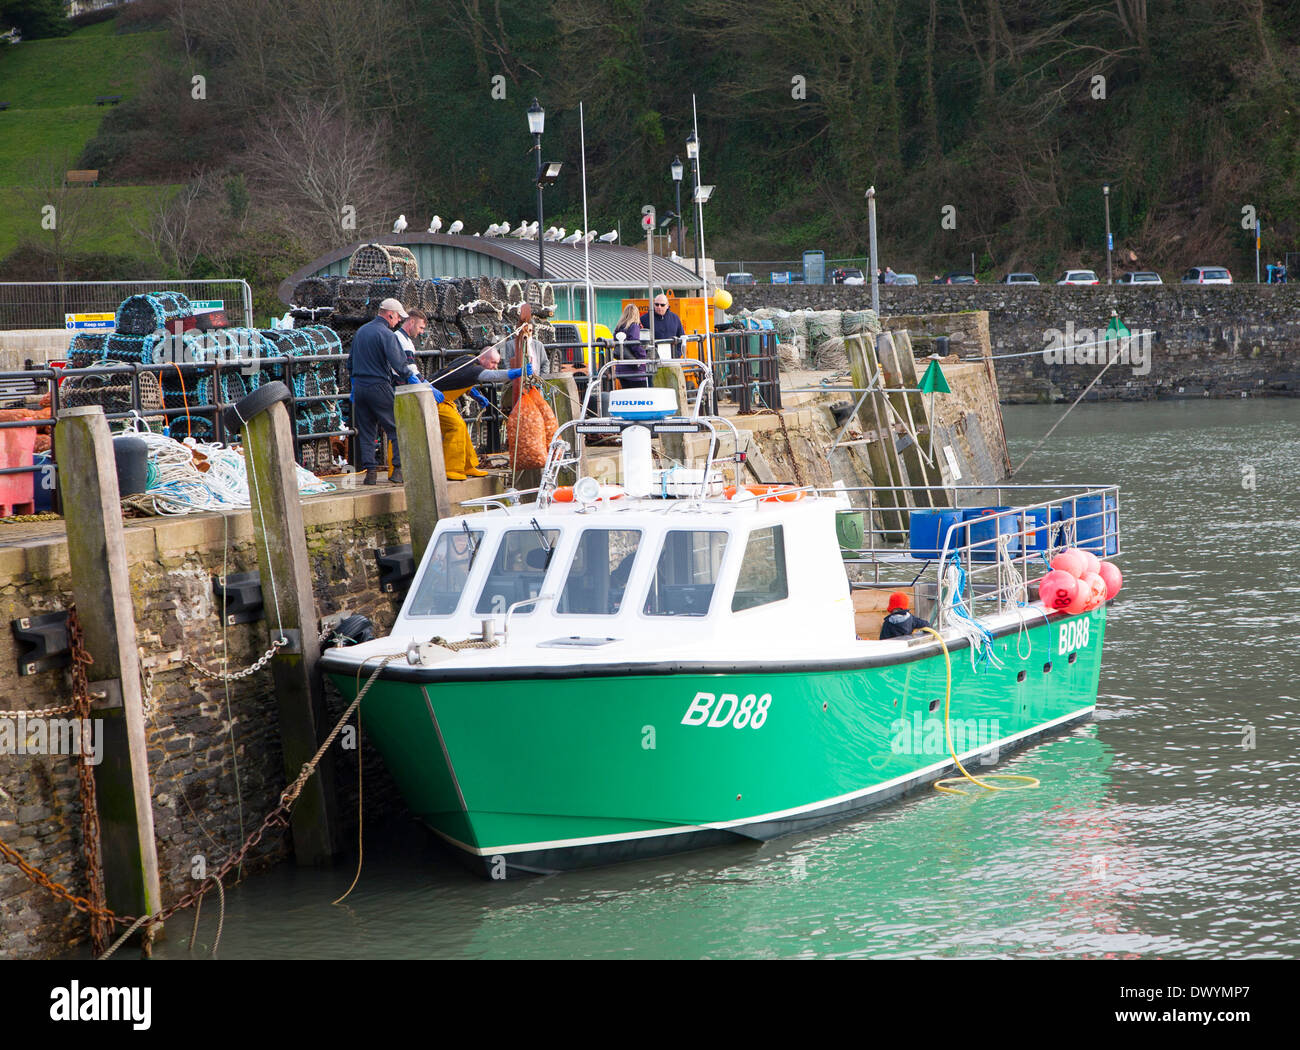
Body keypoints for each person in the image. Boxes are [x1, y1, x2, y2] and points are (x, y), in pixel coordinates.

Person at [349, 298, 440, 486]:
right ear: (390, 314)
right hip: (379, 386)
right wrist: (415, 380)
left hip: (359, 387)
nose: (398, 321)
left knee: (366, 431)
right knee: (397, 426)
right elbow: (399, 364)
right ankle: (398, 471)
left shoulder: (361, 331)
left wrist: (353, 386)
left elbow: (350, 363)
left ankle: (371, 474)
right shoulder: (386, 334)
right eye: (398, 317)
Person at [430, 344, 533, 481]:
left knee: (463, 430)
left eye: (497, 363)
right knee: (456, 427)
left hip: (445, 400)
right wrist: (518, 372)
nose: (495, 366)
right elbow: (493, 376)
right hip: (435, 400)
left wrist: (476, 395)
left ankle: (468, 466)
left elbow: (460, 380)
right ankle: (451, 468)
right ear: (483, 358)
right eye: (493, 362)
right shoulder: (475, 369)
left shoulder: (467, 359)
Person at [611, 302, 648, 389]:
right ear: (636, 314)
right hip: (634, 371)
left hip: (621, 369)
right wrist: (643, 357)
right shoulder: (634, 326)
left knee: (627, 395)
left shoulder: (618, 327)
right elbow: (636, 344)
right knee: (639, 397)